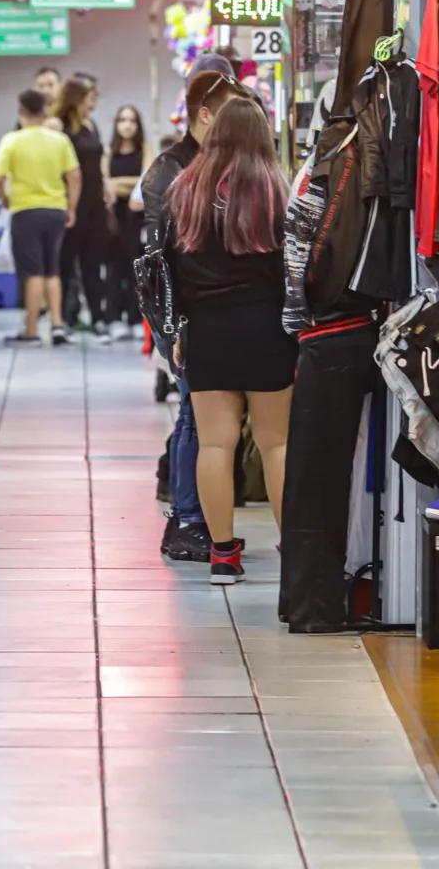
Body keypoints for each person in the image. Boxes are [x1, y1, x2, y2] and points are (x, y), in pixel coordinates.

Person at [164, 97, 296, 585]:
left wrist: (179, 327)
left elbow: (171, 267)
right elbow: (292, 270)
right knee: (276, 444)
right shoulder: (277, 190)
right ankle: (292, 551)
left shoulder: (186, 190)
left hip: (207, 329)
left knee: (215, 445)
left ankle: (222, 554)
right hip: (266, 328)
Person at [141, 65, 254, 562]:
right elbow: (171, 260)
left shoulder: (213, 164)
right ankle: (189, 521)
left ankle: (196, 518)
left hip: (199, 313)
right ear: (205, 114)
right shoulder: (172, 172)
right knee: (194, 417)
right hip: (183, 314)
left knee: (201, 420)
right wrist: (178, 325)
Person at [0, 89, 80, 346]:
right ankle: (57, 324)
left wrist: (6, 199)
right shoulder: (59, 140)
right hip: (55, 210)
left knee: (33, 271)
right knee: (52, 269)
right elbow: (74, 175)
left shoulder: (12, 140)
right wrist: (71, 207)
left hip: (25, 210)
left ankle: (30, 330)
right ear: (44, 112)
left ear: (20, 112)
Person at [56, 77, 115, 342]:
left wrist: (107, 184)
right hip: (72, 202)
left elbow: (99, 160)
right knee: (66, 263)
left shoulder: (92, 125)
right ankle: (65, 317)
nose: (93, 101)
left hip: (94, 202)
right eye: (90, 96)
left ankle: (98, 317)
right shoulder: (62, 126)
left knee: (93, 263)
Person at [104, 104, 150, 339]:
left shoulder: (145, 150)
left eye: (132, 120)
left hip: (137, 217)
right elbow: (105, 184)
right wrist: (120, 184)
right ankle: (112, 316)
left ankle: (135, 316)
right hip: (113, 217)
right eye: (122, 119)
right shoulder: (108, 152)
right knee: (114, 267)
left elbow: (144, 183)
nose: (127, 124)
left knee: (136, 267)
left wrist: (117, 183)